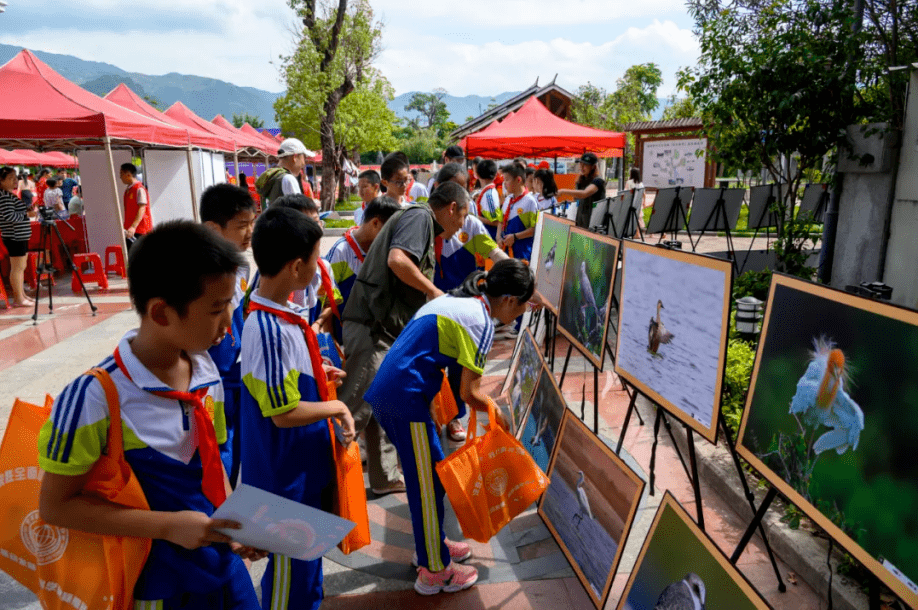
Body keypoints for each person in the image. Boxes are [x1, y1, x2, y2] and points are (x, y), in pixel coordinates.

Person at [38, 221, 264, 609]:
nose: (229, 321)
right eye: (215, 308)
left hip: (221, 568)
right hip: (152, 583)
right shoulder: (94, 397)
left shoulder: (208, 374)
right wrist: (167, 525)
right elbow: (55, 506)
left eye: (230, 303)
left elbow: (216, 464)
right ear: (161, 313)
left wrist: (234, 520)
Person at [365, 259, 534, 595]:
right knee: (426, 484)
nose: (524, 310)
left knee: (433, 476)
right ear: (510, 301)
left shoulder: (460, 302)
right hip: (405, 398)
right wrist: (494, 410)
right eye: (526, 303)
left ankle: (432, 545)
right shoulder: (482, 322)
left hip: (396, 393)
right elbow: (469, 392)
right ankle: (435, 570)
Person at [240, 206, 356, 610]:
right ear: (295, 266)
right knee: (289, 581)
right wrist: (336, 406)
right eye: (315, 257)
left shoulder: (283, 318)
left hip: (301, 472)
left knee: (305, 570)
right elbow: (281, 412)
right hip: (285, 480)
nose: (318, 266)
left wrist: (319, 375)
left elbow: (287, 383)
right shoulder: (267, 327)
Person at [339, 179, 469, 496]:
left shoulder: (423, 223)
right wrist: (435, 292)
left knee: (380, 402)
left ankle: (383, 477)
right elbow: (398, 260)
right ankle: (327, 488)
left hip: (384, 328)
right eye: (462, 218)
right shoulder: (420, 217)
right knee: (350, 413)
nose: (460, 227)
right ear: (452, 208)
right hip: (372, 327)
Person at [200, 184, 257, 488]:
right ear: (213, 228)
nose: (250, 232)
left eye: (252, 223)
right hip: (211, 377)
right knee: (216, 450)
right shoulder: (200, 271)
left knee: (233, 448)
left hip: (234, 374)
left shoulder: (240, 265)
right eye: (241, 226)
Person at [325, 195, 401, 331]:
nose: (392, 236)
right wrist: (331, 339)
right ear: (375, 223)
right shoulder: (341, 251)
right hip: (342, 336)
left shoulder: (384, 249)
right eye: (390, 231)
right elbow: (326, 299)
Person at [0, 167, 34, 307]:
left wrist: (25, 211)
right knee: (17, 268)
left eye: (15, 178)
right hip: (14, 236)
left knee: (21, 266)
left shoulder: (9, 195)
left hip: (19, 235)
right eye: (10, 178)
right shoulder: (4, 196)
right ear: (1, 181)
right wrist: (26, 214)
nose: (15, 181)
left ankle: (22, 295)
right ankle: (18, 298)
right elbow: (8, 216)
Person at [497, 162, 538, 263]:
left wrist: (515, 237)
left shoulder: (530, 201)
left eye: (507, 180)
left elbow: (534, 229)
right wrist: (498, 237)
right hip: (505, 251)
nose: (504, 184)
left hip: (522, 253)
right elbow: (500, 220)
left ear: (518, 180)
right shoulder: (508, 199)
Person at [255, 138, 310, 207]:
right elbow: (299, 209)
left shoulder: (272, 176)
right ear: (295, 157)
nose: (304, 163)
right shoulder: (288, 178)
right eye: (304, 158)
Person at [558, 152, 606, 228]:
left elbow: (584, 194)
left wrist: (563, 191)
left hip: (594, 224)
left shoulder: (598, 181)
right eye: (581, 164)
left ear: (593, 167)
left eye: (585, 165)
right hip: (580, 222)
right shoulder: (580, 181)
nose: (582, 167)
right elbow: (578, 201)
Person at [120, 162, 153, 249]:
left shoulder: (139, 189)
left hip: (140, 231)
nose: (120, 177)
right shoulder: (129, 190)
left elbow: (142, 208)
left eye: (121, 173)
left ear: (128, 174)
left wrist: (133, 227)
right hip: (131, 230)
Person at [474, 159, 501, 238]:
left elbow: (496, 222)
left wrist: (476, 217)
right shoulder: (485, 192)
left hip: (489, 236)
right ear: (495, 175)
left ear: (477, 175)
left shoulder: (489, 195)